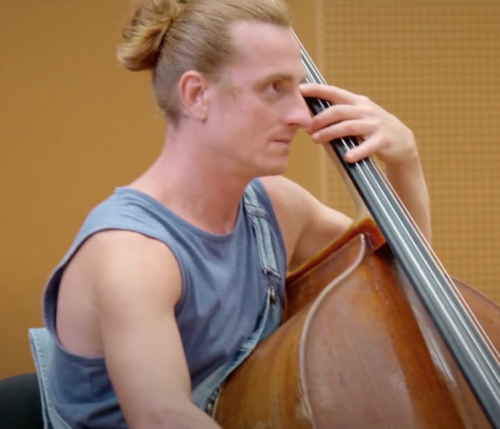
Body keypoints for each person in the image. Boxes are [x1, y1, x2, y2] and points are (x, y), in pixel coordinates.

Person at [25, 0, 432, 428]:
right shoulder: (132, 254)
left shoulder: (275, 208)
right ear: (197, 95)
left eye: (298, 89)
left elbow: (397, 281)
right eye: (274, 87)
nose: (299, 115)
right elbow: (163, 417)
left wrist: (405, 162)